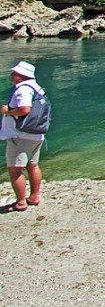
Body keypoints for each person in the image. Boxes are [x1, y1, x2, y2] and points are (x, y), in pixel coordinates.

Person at [0, 61, 46, 212]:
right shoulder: (37, 88)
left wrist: (8, 111)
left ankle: (20, 202)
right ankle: (34, 197)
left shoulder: (23, 89)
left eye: (15, 73)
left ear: (22, 76)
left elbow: (25, 109)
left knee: (14, 169)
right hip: (36, 134)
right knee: (32, 165)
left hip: (20, 135)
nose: (12, 76)